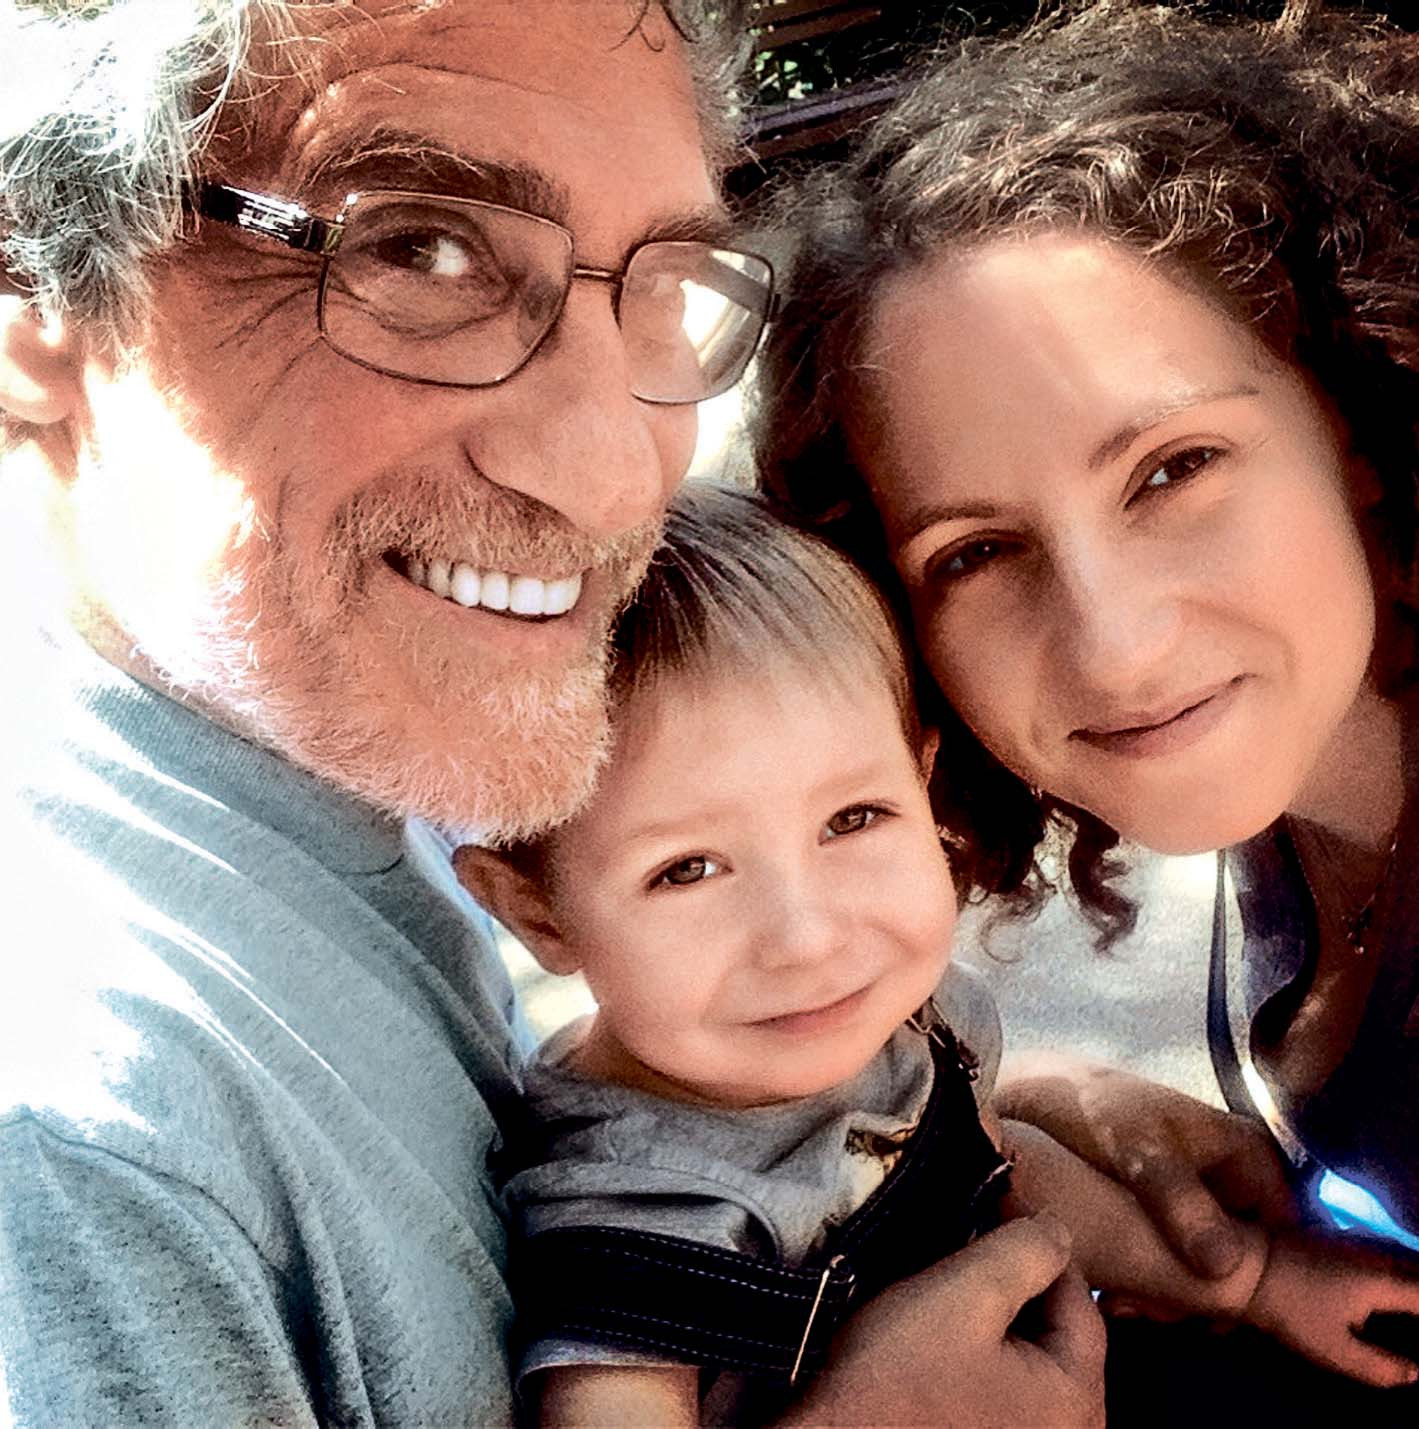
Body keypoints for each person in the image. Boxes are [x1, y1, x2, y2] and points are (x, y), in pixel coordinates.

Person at [0, 2, 1108, 1424]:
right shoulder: (93, 1168)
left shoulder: (347, 743)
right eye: (418, 248)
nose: (612, 475)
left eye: (661, 283)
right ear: (34, 286)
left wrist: (1011, 1128)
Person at [757, 0, 1419, 1419]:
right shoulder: (1315, 807)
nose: (1113, 649)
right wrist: (1044, 1100)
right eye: (976, 553)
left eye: (1173, 469)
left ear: (1352, 423)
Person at [458, 481, 1419, 1427]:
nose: (809, 936)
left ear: (921, 787)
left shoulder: (896, 1021)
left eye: (853, 818)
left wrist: (1250, 1281)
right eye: (687, 870)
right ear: (539, 915)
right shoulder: (637, 1211)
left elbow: (1001, 1170)